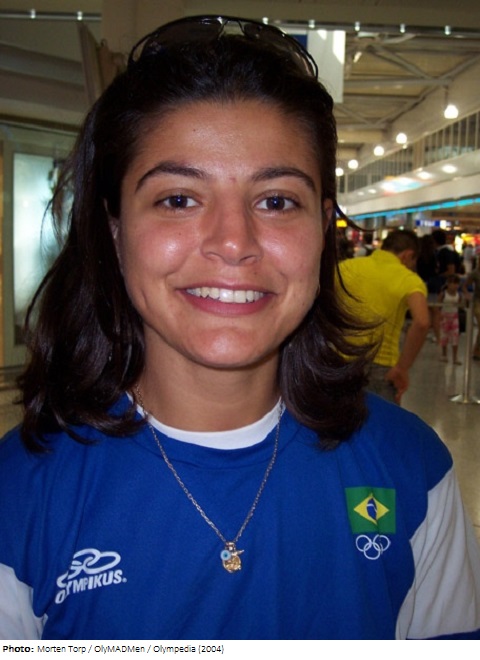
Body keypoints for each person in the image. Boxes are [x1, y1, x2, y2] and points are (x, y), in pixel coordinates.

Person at [0, 15, 479, 641]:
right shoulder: (22, 491)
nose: (233, 242)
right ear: (115, 230)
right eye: (178, 199)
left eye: (276, 201)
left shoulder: (410, 467)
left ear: (322, 229)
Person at [339, 230, 430, 404]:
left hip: (341, 362)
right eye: (413, 261)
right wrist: (402, 367)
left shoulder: (347, 267)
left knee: (339, 419)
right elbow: (422, 322)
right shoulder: (409, 279)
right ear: (407, 255)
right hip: (382, 366)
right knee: (381, 420)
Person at [439, 274, 463, 364]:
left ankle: (455, 357)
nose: (455, 285)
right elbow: (438, 305)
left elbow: (460, 305)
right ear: (448, 284)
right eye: (453, 283)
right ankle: (444, 354)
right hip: (444, 317)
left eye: (457, 283)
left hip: (454, 317)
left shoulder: (458, 295)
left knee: (455, 337)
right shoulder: (443, 294)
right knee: (444, 336)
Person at [466, 259, 480, 359]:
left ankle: (477, 349)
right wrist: (467, 295)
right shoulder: (475, 273)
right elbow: (465, 285)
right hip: (477, 301)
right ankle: (476, 350)